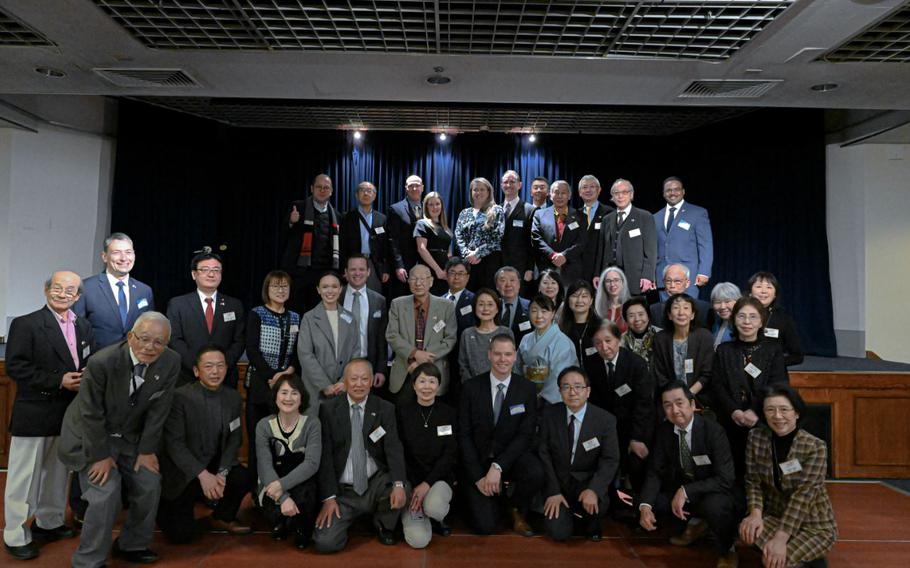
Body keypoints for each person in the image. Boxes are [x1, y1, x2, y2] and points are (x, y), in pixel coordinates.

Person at [58, 312, 180, 567]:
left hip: (130, 437)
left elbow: (159, 410)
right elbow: (90, 413)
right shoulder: (103, 361)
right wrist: (100, 456)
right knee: (106, 492)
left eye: (159, 342)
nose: (150, 347)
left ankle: (132, 544)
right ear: (130, 337)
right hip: (90, 436)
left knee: (149, 483)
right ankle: (88, 560)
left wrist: (147, 450)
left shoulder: (170, 361)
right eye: (144, 338)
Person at [4, 272, 93, 561]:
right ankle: (15, 534)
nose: (63, 294)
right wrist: (58, 380)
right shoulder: (26, 324)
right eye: (57, 288)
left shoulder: (84, 327)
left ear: (78, 296)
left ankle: (49, 522)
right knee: (24, 478)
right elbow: (16, 367)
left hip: (67, 414)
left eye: (70, 290)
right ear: (46, 290)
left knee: (58, 473)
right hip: (35, 412)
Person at [157, 347, 252, 543]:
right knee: (180, 537)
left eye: (220, 366)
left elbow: (234, 439)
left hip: (214, 464)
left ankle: (222, 517)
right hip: (184, 471)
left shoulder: (233, 397)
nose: (215, 372)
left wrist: (222, 473)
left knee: (243, 476)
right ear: (196, 371)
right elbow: (175, 444)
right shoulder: (179, 397)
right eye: (208, 366)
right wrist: (202, 475)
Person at [639, 381, 739, 568]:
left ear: (692, 405)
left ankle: (728, 549)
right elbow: (655, 472)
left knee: (716, 507)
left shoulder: (713, 431)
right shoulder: (663, 431)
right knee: (654, 504)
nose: (674, 410)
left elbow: (726, 478)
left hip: (711, 491)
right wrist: (645, 506)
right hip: (680, 492)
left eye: (679, 403)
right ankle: (696, 525)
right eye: (667, 405)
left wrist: (686, 490)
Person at [314, 359, 408, 552]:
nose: (359, 384)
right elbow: (325, 457)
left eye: (364, 379)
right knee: (325, 543)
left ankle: (383, 523)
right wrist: (329, 498)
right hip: (343, 492)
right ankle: (348, 520)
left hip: (374, 483)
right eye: (354, 379)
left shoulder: (385, 408)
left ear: (372, 380)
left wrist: (398, 484)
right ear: (345, 382)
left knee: (402, 485)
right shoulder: (329, 410)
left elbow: (393, 448)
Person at [740, 386, 836, 568]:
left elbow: (804, 495)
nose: (777, 416)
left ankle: (807, 558)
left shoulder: (815, 447)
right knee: (748, 531)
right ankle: (806, 559)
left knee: (777, 562)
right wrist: (755, 514)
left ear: (797, 413)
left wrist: (780, 539)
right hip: (775, 517)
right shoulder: (756, 437)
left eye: (784, 409)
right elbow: (753, 481)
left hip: (812, 524)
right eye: (770, 410)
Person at [459, 334, 544, 536]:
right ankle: (493, 500)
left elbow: (525, 435)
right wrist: (478, 476)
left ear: (515, 356)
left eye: (507, 354)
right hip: (478, 461)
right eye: (497, 353)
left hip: (510, 458)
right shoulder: (470, 388)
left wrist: (498, 466)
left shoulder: (527, 389)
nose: (502, 359)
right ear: (489, 355)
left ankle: (515, 508)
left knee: (535, 472)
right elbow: (464, 435)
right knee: (485, 527)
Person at [539, 366, 620, 542]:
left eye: (578, 386)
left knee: (597, 507)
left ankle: (588, 519)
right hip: (559, 483)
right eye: (566, 387)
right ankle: (568, 516)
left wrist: (594, 489)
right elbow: (543, 453)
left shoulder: (605, 420)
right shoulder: (549, 415)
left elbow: (610, 459)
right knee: (558, 533)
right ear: (560, 391)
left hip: (587, 483)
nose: (572, 392)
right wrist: (553, 490)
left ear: (588, 391)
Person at [713, 297, 789, 479]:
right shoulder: (724, 350)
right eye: (742, 316)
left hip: (763, 420)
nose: (747, 322)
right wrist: (734, 411)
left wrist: (755, 412)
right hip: (730, 420)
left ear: (761, 321)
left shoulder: (773, 350)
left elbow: (779, 385)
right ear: (734, 319)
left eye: (753, 317)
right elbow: (717, 386)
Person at [584, 322, 653, 497]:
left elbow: (643, 404)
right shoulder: (591, 364)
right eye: (598, 343)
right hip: (605, 428)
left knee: (636, 462)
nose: (604, 347)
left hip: (632, 428)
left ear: (618, 339)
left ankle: (640, 504)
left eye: (608, 340)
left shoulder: (635, 363)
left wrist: (636, 438)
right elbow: (592, 403)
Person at [245, 270, 299, 490]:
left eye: (284, 286)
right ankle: (255, 489)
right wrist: (271, 376)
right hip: (260, 382)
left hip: (286, 383)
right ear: (267, 289)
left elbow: (298, 351)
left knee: (282, 440)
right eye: (276, 286)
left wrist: (287, 371)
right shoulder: (257, 313)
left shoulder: (296, 317)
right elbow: (252, 349)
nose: (280, 290)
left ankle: (278, 488)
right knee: (259, 440)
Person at [255, 374, 321, 550]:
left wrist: (281, 486)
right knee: (271, 503)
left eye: (294, 393)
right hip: (273, 480)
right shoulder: (263, 425)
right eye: (283, 393)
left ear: (302, 397)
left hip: (301, 479)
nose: (288, 398)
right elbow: (264, 466)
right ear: (275, 396)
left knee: (306, 495)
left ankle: (302, 529)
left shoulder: (312, 423)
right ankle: (280, 521)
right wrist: (283, 497)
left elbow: (312, 464)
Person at [396, 363, 458, 547]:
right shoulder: (401, 413)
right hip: (411, 484)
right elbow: (398, 453)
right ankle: (416, 512)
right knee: (418, 541)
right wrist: (415, 487)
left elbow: (451, 454)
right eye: (421, 381)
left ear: (438, 385)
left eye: (432, 381)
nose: (426, 387)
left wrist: (427, 484)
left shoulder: (449, 413)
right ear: (414, 385)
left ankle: (432, 515)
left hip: (438, 479)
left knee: (435, 508)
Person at [166, 250, 245, 388]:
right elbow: (174, 339)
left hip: (225, 379)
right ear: (194, 274)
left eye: (216, 270)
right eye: (205, 269)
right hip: (188, 377)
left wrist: (221, 366)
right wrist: (198, 367)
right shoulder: (178, 304)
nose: (211, 274)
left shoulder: (234, 305)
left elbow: (239, 340)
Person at [386, 264, 458, 399]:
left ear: (431, 281)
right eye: (413, 279)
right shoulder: (397, 304)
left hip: (435, 370)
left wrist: (424, 358)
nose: (418, 283)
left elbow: (450, 339)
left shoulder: (446, 306)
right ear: (408, 282)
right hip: (405, 369)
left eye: (423, 279)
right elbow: (392, 335)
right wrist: (414, 354)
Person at [75, 233, 154, 349]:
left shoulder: (144, 291)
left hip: (134, 361)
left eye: (128, 252)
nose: (124, 258)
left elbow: (149, 328)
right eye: (116, 252)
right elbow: (76, 330)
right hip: (97, 362)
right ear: (104, 257)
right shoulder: (86, 287)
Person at [296, 271, 359, 415]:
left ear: (341, 289)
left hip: (343, 390)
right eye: (325, 287)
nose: (330, 291)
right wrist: (325, 385)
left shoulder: (350, 318)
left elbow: (356, 353)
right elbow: (305, 355)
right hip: (315, 390)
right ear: (318, 289)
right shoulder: (309, 318)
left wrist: (344, 381)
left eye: (334, 286)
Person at [281, 173, 342, 313]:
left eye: (326, 188)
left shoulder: (337, 216)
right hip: (298, 272)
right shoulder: (298, 208)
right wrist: (291, 222)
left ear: (331, 191)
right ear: (311, 188)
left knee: (319, 314)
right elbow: (282, 236)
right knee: (294, 312)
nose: (322, 190)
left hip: (323, 274)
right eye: (319, 187)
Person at [593, 179, 657, 296]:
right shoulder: (607, 219)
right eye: (616, 193)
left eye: (624, 192)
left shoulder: (644, 217)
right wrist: (598, 274)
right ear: (612, 197)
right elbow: (601, 250)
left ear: (631, 195)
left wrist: (647, 276)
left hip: (635, 278)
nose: (620, 196)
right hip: (611, 277)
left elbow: (651, 251)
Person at [654, 177, 714, 299]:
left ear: (683, 191)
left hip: (688, 278)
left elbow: (706, 244)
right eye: (669, 190)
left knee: (686, 313)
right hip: (663, 278)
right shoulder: (655, 217)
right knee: (665, 314)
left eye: (676, 189)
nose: (672, 193)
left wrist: (704, 272)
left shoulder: (697, 213)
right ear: (663, 193)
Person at [651, 294, 715, 409]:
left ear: (693, 314)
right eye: (676, 308)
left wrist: (688, 396)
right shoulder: (660, 339)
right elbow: (660, 375)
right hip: (669, 399)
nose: (681, 312)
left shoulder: (705, 337)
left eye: (686, 308)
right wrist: (676, 398)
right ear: (669, 315)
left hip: (699, 398)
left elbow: (707, 374)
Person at [339, 255, 389, 390]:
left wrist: (380, 369)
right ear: (346, 272)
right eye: (353, 269)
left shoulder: (379, 301)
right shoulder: (336, 297)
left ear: (368, 272)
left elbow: (382, 339)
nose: (357, 273)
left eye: (361, 269)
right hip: (339, 367)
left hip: (368, 366)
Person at [517, 295, 577, 405]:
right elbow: (517, 369)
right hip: (526, 395)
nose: (539, 316)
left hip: (551, 400)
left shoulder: (563, 342)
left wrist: (541, 397)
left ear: (553, 313)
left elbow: (560, 376)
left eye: (544, 311)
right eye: (534, 311)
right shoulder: (526, 339)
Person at [531, 180, 588, 286]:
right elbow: (536, 239)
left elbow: (582, 242)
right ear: (550, 195)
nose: (560, 196)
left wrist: (564, 256)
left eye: (563, 193)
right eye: (556, 192)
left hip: (571, 270)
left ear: (569, 196)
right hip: (546, 269)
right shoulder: (539, 214)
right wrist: (552, 255)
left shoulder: (581, 217)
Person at [455, 177, 504, 291]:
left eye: (482, 189)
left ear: (488, 192)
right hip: (467, 261)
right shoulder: (464, 213)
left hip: (489, 261)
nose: (478, 192)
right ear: (471, 192)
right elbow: (458, 235)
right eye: (475, 190)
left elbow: (497, 237)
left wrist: (478, 253)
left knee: (487, 296)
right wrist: (467, 253)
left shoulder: (497, 210)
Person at [339, 181, 389, 294]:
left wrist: (385, 269)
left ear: (375, 195)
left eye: (369, 191)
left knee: (373, 297)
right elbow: (341, 245)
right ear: (357, 195)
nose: (366, 193)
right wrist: (344, 268)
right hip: (353, 263)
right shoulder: (347, 217)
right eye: (362, 190)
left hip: (373, 264)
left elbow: (386, 247)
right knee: (351, 296)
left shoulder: (382, 219)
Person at [747, 271, 804, 366]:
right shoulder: (740, 315)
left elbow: (797, 356)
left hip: (771, 375)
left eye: (769, 287)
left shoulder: (783, 318)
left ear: (775, 295)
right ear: (750, 293)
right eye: (758, 286)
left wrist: (773, 364)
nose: (763, 291)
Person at [459, 288, 514, 380]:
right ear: (475, 308)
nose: (485, 309)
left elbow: (512, 362)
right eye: (481, 304)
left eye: (490, 304)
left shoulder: (506, 332)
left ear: (497, 309)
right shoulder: (467, 334)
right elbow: (463, 366)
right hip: (474, 388)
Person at [387, 174, 425, 298]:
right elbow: (393, 241)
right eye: (411, 186)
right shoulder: (396, 209)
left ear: (422, 188)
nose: (414, 188)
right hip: (405, 267)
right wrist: (399, 266)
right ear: (406, 188)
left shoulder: (430, 208)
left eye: (417, 185)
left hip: (426, 265)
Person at [499, 170, 537, 289]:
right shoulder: (495, 210)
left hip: (520, 268)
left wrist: (530, 268)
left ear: (519, 185)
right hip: (497, 266)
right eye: (505, 182)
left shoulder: (529, 210)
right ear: (501, 185)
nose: (508, 185)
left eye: (512, 182)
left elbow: (532, 243)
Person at [650, 264, 713, 328]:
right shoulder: (654, 310)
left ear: (687, 283)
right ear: (663, 282)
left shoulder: (703, 309)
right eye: (668, 281)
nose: (672, 286)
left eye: (677, 281)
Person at [415, 191, 454, 296]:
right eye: (431, 204)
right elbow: (422, 249)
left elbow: (449, 253)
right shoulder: (422, 224)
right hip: (430, 269)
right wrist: (438, 271)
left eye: (437, 204)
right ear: (426, 207)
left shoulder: (445, 227)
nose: (435, 207)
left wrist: (447, 270)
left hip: (444, 271)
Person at [577, 175, 614, 282]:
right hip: (578, 271)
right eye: (584, 187)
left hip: (601, 270)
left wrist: (602, 270)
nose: (588, 190)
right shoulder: (574, 215)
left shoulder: (610, 213)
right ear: (579, 192)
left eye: (592, 186)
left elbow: (610, 246)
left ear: (599, 190)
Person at [558, 280, 602, 365]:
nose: (579, 300)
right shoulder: (561, 329)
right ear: (568, 300)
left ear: (591, 301)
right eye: (574, 296)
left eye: (584, 296)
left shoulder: (601, 326)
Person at [496, 266, 533, 345]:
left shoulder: (531, 307)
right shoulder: (491, 307)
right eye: (503, 280)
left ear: (519, 284)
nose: (508, 284)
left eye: (512, 280)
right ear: (497, 286)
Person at [620, 296, 661, 363]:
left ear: (648, 316)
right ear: (626, 320)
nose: (637, 319)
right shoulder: (620, 341)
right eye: (631, 316)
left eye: (641, 314)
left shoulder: (661, 335)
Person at [594, 266, 630, 332]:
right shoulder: (597, 308)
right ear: (603, 285)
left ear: (622, 283)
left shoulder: (630, 307)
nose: (612, 284)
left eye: (616, 280)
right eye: (608, 281)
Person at [710, 282, 742, 349]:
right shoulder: (714, 324)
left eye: (727, 301)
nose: (722, 307)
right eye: (718, 302)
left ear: (738, 301)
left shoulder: (743, 326)